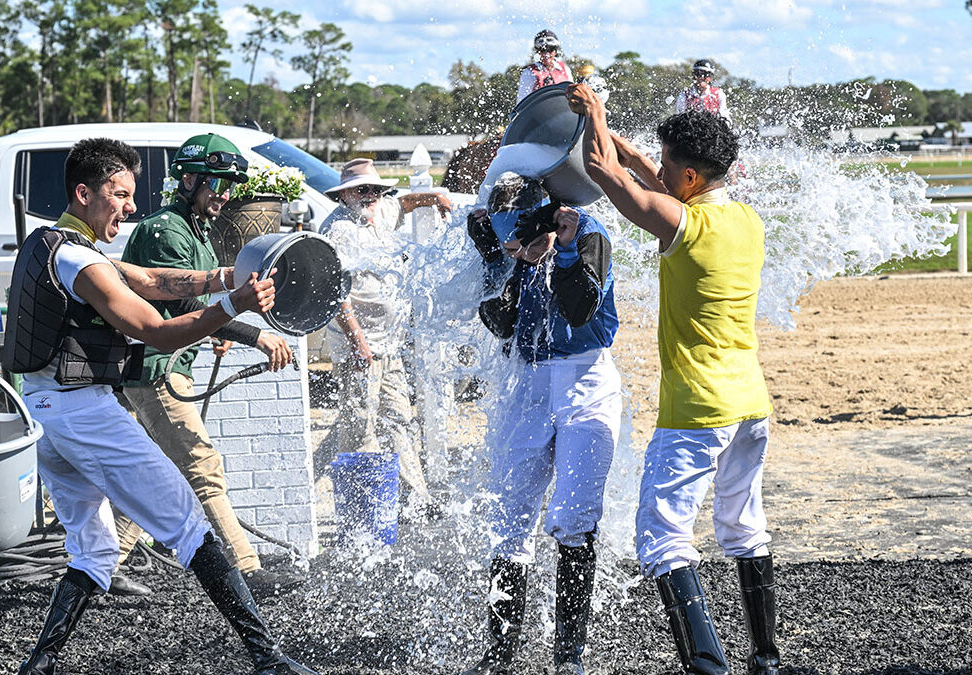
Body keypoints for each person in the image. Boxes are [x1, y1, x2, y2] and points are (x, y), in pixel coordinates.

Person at [5, 137, 316, 675]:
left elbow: (151, 281)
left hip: (47, 415)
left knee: (96, 553)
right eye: (120, 195)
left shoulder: (53, 242)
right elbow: (158, 333)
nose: (130, 207)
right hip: (84, 413)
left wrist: (226, 278)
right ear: (85, 193)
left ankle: (39, 667)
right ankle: (269, 661)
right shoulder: (82, 261)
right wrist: (232, 305)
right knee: (190, 524)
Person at [567, 81, 779, 675]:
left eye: (667, 165)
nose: (657, 169)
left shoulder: (683, 225)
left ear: (688, 179)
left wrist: (597, 113)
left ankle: (708, 667)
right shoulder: (745, 218)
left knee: (662, 541)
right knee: (743, 529)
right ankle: (764, 657)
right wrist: (640, 157)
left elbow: (598, 167)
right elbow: (648, 179)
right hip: (751, 405)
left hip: (697, 409)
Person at [110, 133, 302, 599]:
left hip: (162, 365)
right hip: (155, 367)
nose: (225, 194)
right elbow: (183, 300)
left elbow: (199, 311)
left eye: (230, 185)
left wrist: (214, 331)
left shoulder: (196, 233)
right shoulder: (165, 231)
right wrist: (255, 334)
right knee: (201, 462)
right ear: (189, 178)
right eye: (216, 183)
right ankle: (245, 568)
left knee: (158, 470)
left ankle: (104, 562)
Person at [460, 172, 621, 675]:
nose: (516, 250)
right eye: (508, 241)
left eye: (522, 241)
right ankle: (499, 656)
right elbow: (500, 322)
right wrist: (495, 261)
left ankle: (568, 657)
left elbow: (578, 310)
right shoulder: (509, 251)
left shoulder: (589, 235)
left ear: (548, 221)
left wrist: (565, 252)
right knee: (508, 523)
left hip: (585, 381)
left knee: (573, 520)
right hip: (526, 384)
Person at [319, 158, 450, 513]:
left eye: (376, 189)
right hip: (360, 348)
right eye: (363, 190)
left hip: (388, 345)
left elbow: (404, 203)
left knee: (399, 419)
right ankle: (365, 507)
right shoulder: (339, 231)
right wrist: (357, 340)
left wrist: (435, 196)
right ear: (345, 195)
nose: (372, 195)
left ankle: (417, 499)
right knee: (361, 425)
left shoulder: (381, 211)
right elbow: (336, 294)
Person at [517, 29, 573, 103]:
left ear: (555, 51)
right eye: (543, 50)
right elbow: (521, 102)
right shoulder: (529, 73)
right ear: (538, 52)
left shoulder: (565, 69)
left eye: (550, 50)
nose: (546, 54)